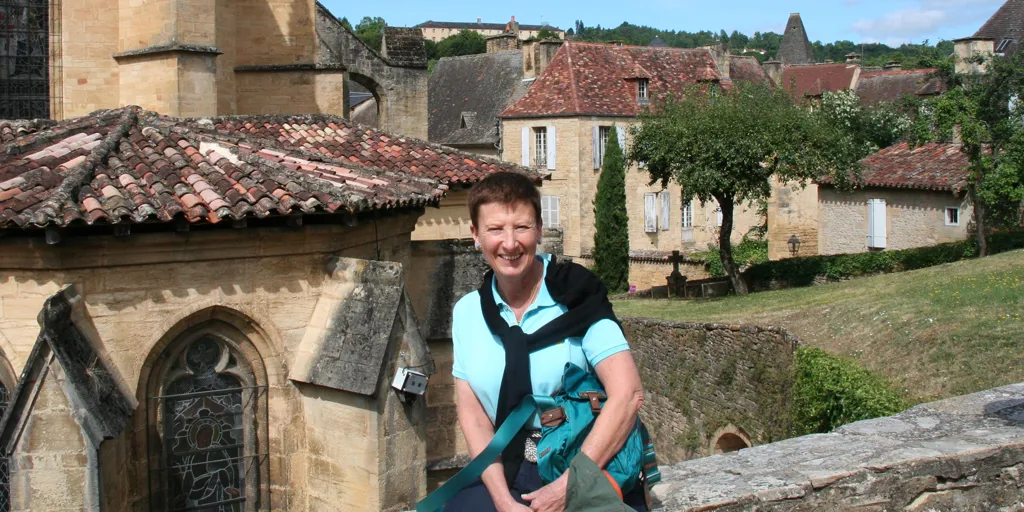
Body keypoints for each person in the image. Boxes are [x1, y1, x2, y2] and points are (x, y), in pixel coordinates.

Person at [447, 171, 647, 512]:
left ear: (539, 230)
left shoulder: (577, 294)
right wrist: (503, 502)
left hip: (583, 459)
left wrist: (566, 487)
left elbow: (628, 395)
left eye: (521, 227)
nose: (509, 243)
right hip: (507, 468)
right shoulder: (467, 314)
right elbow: (475, 418)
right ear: (475, 235)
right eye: (495, 229)